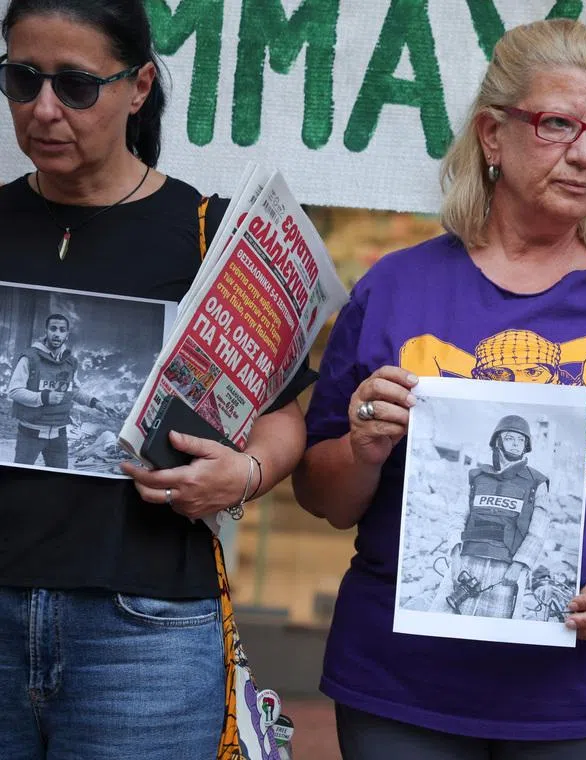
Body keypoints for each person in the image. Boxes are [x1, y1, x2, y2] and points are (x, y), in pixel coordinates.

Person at [293, 18, 586, 760]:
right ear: (492, 135)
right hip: (402, 684)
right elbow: (322, 495)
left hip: (581, 689)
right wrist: (365, 446)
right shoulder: (396, 289)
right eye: (559, 123)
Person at [0, 1, 311, 756]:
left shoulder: (209, 233)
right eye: (21, 79)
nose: (44, 110)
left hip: (145, 631)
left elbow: (285, 417)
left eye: (76, 85)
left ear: (138, 86)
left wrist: (244, 472)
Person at [431, 415, 550, 618]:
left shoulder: (537, 483)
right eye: (510, 438)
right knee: (443, 620)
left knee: (496, 635)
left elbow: (538, 532)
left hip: (506, 571)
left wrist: (518, 566)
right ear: (497, 441)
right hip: (466, 563)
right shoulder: (476, 477)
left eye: (521, 440)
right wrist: (455, 558)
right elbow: (458, 517)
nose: (516, 444)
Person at [7, 312, 115, 467]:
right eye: (53, 329)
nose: (57, 334)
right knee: (20, 479)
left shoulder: (70, 362)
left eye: (61, 330)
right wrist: (43, 397)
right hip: (30, 433)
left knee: (60, 480)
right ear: (46, 331)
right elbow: (14, 391)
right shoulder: (29, 358)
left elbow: (74, 391)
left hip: (59, 434)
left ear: (67, 334)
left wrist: (96, 403)